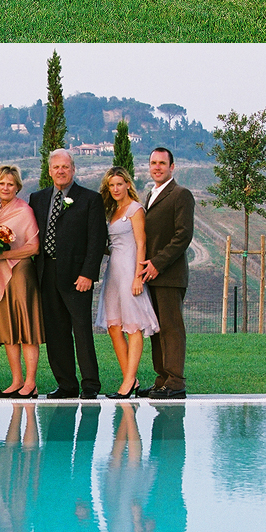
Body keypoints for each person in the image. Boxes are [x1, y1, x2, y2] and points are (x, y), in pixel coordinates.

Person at [28, 150, 107, 400]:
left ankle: (90, 385)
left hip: (77, 276)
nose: (60, 171)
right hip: (45, 273)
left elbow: (97, 240)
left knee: (81, 330)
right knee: (55, 332)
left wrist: (88, 274)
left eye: (65, 167)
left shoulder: (90, 199)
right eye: (56, 167)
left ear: (73, 169)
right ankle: (66, 384)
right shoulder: (37, 198)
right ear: (49, 171)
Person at [95, 166, 156, 397]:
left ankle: (128, 382)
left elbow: (141, 243)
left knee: (133, 326)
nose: (115, 189)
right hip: (113, 271)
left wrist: (138, 277)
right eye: (111, 185)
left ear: (128, 184)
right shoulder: (113, 211)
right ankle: (132, 380)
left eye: (119, 184)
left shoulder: (135, 209)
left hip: (130, 269)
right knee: (113, 327)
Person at [0, 163, 43, 398]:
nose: (6, 187)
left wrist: (5, 255)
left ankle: (31, 383)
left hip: (20, 273)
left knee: (25, 326)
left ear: (17, 186)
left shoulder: (24, 210)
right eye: (2, 183)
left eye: (10, 184)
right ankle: (16, 380)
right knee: (8, 326)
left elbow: (34, 247)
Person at [142, 146, 195, 401]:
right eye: (153, 163)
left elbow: (183, 235)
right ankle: (161, 379)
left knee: (171, 329)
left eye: (162, 163)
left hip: (169, 275)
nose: (157, 167)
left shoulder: (181, 195)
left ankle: (175, 382)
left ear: (172, 167)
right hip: (149, 275)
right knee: (156, 330)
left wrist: (157, 264)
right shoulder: (150, 194)